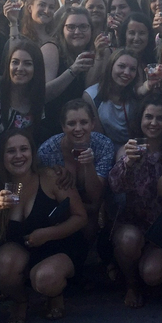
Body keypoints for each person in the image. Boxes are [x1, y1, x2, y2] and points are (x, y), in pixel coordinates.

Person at [0, 129, 88, 323]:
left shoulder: (51, 177)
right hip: (23, 249)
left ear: (32, 152)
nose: (19, 156)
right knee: (3, 266)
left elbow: (80, 217)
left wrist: (48, 234)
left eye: (24, 149)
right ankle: (20, 300)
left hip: (60, 245)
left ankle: (55, 295)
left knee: (46, 279)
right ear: (2, 156)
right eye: (11, 151)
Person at [108, 94, 162, 308]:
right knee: (128, 240)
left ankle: (156, 271)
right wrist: (127, 162)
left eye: (160, 118)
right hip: (133, 222)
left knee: (152, 274)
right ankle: (131, 284)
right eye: (149, 117)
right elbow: (115, 186)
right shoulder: (128, 148)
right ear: (140, 119)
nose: (154, 123)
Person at [37, 99, 115, 238]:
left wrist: (88, 165)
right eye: (71, 123)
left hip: (90, 210)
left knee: (89, 228)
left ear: (92, 124)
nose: (78, 129)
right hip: (57, 211)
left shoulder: (104, 145)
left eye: (84, 122)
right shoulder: (46, 151)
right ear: (63, 126)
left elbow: (95, 196)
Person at [41, 7, 100, 139]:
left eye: (83, 26)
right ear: (62, 29)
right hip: (52, 127)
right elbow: (43, 94)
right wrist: (73, 71)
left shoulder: (96, 52)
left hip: (83, 129)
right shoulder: (51, 49)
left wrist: (100, 58)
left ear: (91, 29)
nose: (77, 31)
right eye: (71, 27)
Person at [83, 48, 140, 146]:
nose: (127, 72)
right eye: (121, 66)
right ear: (111, 67)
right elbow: (98, 137)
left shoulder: (136, 94)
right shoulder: (91, 96)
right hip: (105, 148)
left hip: (133, 147)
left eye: (132, 69)